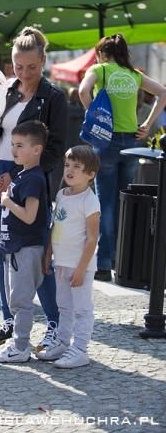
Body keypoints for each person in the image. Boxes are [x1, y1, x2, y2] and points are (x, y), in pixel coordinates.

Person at [0, 27, 68, 349]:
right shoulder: (8, 89)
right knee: (3, 254)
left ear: (43, 61)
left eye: (31, 66)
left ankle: (54, 325)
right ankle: (10, 320)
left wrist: (24, 176)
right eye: (18, 66)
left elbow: (55, 147)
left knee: (36, 253)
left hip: (28, 179)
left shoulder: (53, 97)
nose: (24, 73)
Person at [79, 33, 166, 281]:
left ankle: (104, 264)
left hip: (105, 142)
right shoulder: (134, 75)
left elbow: (83, 91)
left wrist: (93, 114)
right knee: (124, 201)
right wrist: (148, 124)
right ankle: (123, 258)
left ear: (101, 53)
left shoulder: (100, 69)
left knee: (105, 203)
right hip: (132, 141)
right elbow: (163, 92)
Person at [0, 121, 49, 363]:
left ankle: (21, 347)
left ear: (37, 149)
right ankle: (18, 341)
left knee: (21, 302)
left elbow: (29, 215)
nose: (14, 150)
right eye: (13, 144)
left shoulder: (34, 178)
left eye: (20, 145)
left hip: (25, 249)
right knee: (15, 301)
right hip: (13, 248)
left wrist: (7, 202)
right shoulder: (21, 174)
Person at [38, 145, 100, 368]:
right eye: (67, 165)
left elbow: (92, 237)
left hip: (80, 265)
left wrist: (82, 269)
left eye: (77, 167)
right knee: (63, 305)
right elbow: (56, 226)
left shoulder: (89, 200)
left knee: (82, 308)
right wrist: (48, 254)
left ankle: (80, 349)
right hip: (62, 262)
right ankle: (63, 343)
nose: (70, 170)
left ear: (91, 174)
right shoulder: (61, 194)